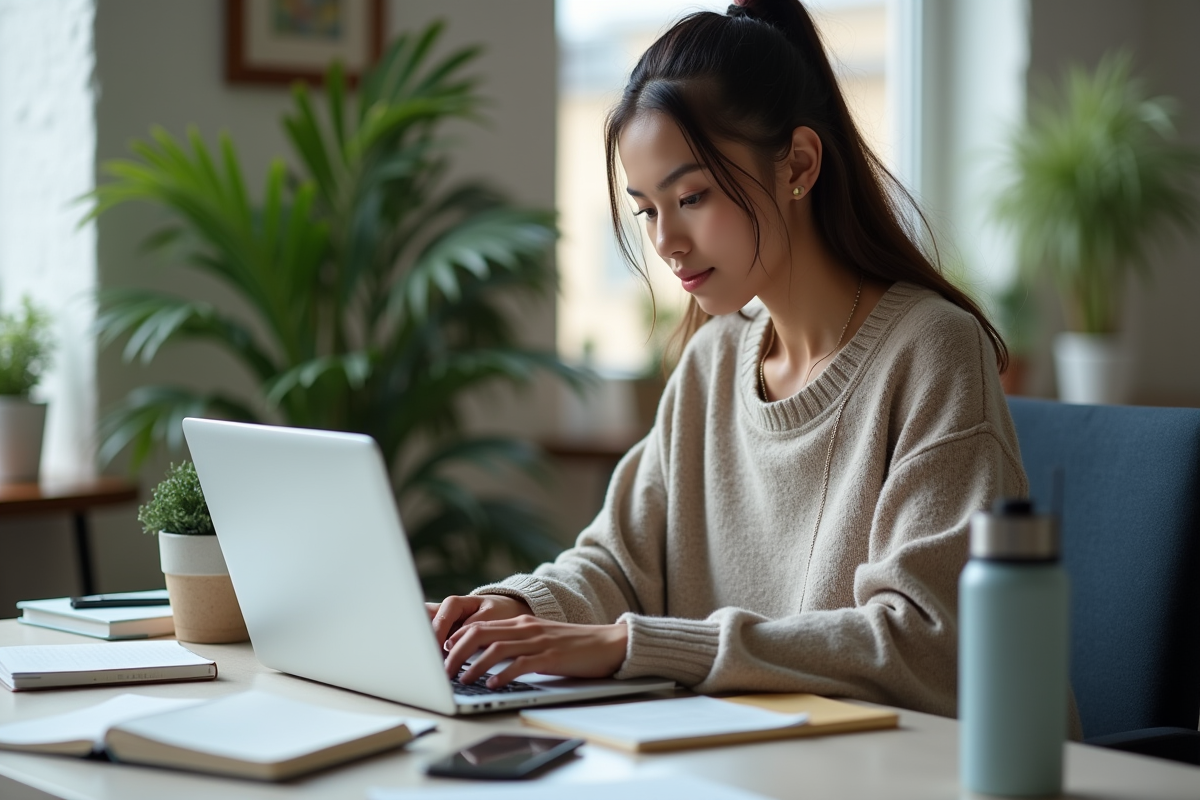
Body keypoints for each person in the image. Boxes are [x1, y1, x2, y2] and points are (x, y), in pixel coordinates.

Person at [427, 0, 1026, 721]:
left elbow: (924, 643)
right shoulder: (713, 360)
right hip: (754, 757)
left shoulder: (932, 350)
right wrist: (513, 610)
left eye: (692, 196)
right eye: (647, 209)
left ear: (798, 164)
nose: (666, 242)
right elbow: (620, 562)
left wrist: (628, 646)